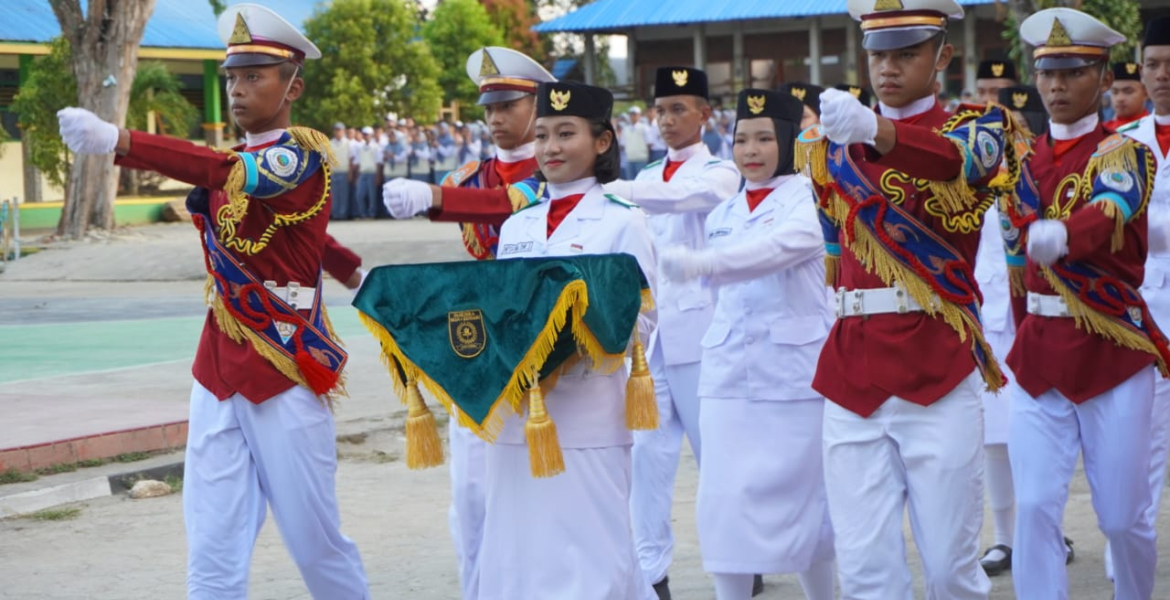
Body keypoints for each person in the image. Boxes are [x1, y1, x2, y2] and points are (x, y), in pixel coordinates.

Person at [57, 4, 369, 598]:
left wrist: (122, 140)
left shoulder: (300, 156)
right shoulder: (233, 162)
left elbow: (231, 175)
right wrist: (348, 267)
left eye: (255, 75)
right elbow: (292, 227)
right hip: (217, 364)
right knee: (212, 539)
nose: (238, 88)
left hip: (285, 363)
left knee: (314, 540)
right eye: (232, 76)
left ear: (293, 87)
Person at [800, 0, 1020, 597]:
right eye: (878, 54)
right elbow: (832, 255)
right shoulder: (828, 147)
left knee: (950, 567)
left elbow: (957, 164)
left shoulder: (981, 128)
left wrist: (876, 131)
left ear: (942, 56)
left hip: (938, 362)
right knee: (866, 569)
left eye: (906, 52)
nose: (888, 67)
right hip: (853, 364)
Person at [1004, 9, 1170, 600]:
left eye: (1072, 73)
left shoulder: (1127, 153)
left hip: (1111, 350)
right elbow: (1015, 269)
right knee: (1034, 509)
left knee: (1124, 517)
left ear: (1101, 78)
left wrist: (1067, 236)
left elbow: (1114, 206)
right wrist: (1020, 331)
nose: (1055, 86)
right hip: (1041, 352)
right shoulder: (1021, 164)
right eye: (1047, 73)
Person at [476, 80, 657, 600]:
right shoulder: (517, 227)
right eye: (544, 135)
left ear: (602, 142)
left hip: (585, 411)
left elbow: (644, 321)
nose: (551, 148)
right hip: (516, 414)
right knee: (516, 551)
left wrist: (572, 330)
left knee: (593, 551)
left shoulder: (624, 222)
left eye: (566, 134)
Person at [660, 88, 835, 600]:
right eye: (740, 140)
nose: (750, 150)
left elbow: (776, 251)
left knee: (805, 505)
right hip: (728, 379)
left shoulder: (812, 201)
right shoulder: (723, 214)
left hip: (793, 379)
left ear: (787, 140)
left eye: (764, 138)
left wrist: (704, 263)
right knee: (723, 503)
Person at [601, 66, 742, 600]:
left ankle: (737, 560)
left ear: (706, 114)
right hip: (650, 343)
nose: (666, 120)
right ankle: (652, 572)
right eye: (660, 110)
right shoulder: (646, 176)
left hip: (703, 338)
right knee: (647, 460)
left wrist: (612, 187)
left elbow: (688, 199)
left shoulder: (723, 172)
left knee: (716, 458)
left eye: (679, 109)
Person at [1103, 18, 1170, 585]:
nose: (1163, 75)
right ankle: (1128, 579)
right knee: (1136, 459)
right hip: (1139, 319)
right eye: (1153, 65)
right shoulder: (1120, 145)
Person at [1105, 61, 1150, 131]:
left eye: (1128, 92)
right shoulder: (1102, 130)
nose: (1120, 98)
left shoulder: (1153, 129)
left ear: (1145, 93)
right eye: (1115, 92)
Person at [353, 126, 383, 218]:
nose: (365, 136)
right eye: (364, 134)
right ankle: (364, 213)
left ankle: (372, 213)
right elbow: (357, 162)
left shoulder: (376, 147)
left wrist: (378, 176)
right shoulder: (360, 147)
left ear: (371, 135)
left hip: (372, 173)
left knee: (372, 196)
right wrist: (357, 176)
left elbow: (378, 162)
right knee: (359, 195)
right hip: (363, 173)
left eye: (367, 134)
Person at [329, 122, 354, 220]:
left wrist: (350, 174)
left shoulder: (348, 143)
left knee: (344, 195)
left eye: (339, 130)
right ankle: (335, 214)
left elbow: (351, 159)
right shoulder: (330, 143)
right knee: (334, 195)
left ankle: (343, 214)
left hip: (344, 171)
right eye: (336, 130)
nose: (337, 132)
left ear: (343, 131)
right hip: (334, 172)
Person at [622, 106, 652, 179]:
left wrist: (645, 154)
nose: (634, 116)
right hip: (629, 159)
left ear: (639, 116)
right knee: (630, 181)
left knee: (641, 181)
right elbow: (623, 144)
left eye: (635, 114)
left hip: (641, 159)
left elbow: (649, 143)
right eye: (632, 114)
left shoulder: (645, 127)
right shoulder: (625, 129)